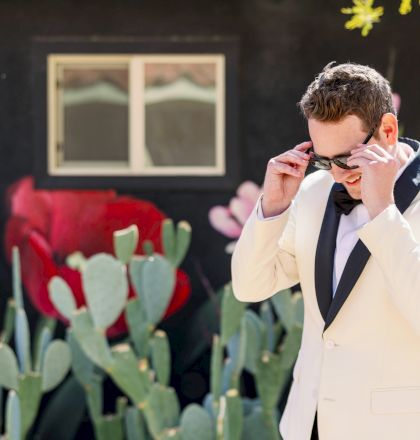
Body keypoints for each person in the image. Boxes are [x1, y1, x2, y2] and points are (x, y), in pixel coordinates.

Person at [231, 62, 420, 440]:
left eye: (348, 159)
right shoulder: (313, 192)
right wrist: (272, 208)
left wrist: (384, 212)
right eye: (325, 160)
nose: (337, 174)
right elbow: (249, 287)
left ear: (387, 129)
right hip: (308, 424)